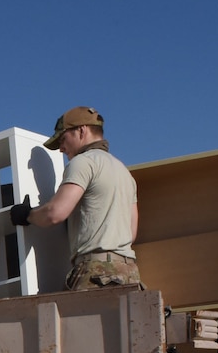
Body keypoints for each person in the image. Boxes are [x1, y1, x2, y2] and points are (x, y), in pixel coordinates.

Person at [9, 106, 142, 289]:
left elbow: (55, 213)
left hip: (97, 273)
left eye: (63, 139)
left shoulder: (83, 162)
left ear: (81, 130)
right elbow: (131, 232)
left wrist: (27, 215)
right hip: (129, 273)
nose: (62, 149)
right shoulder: (123, 172)